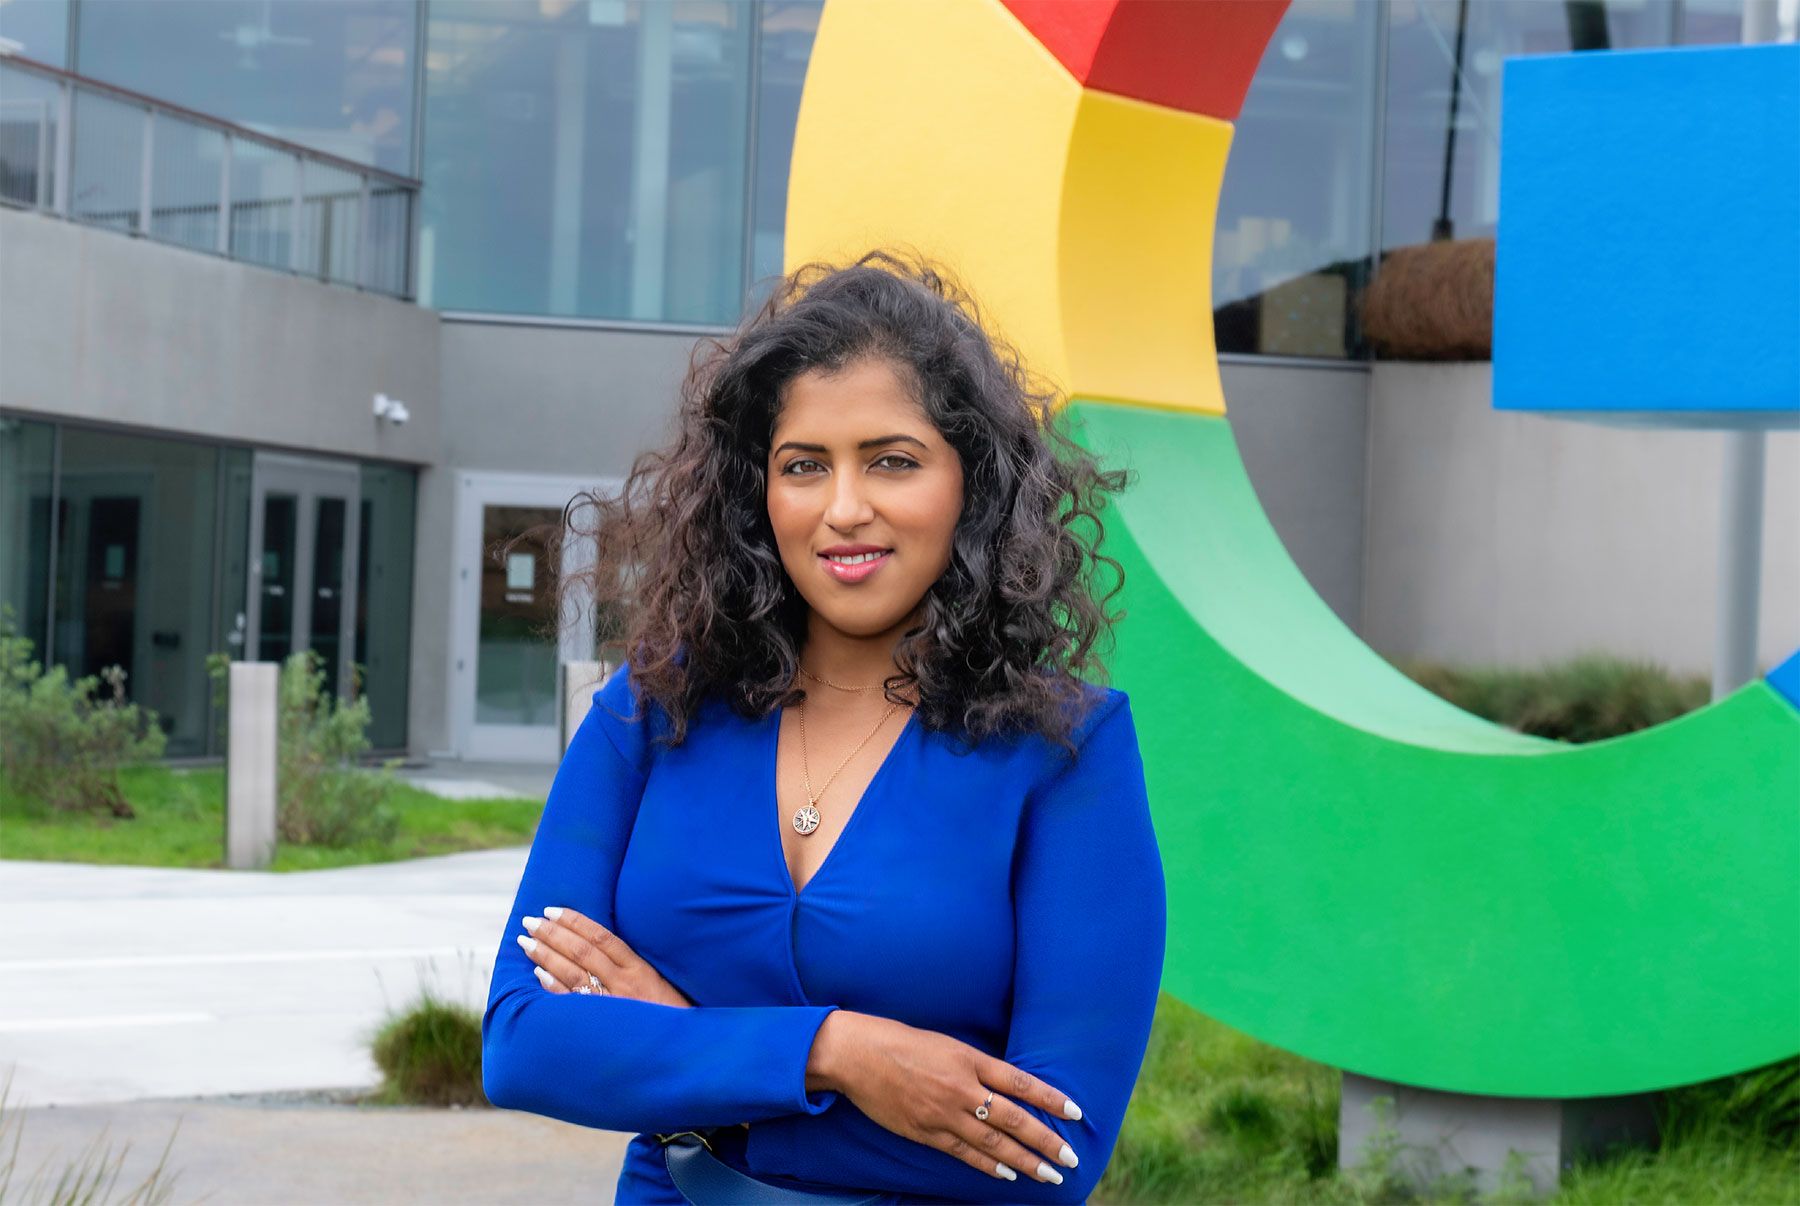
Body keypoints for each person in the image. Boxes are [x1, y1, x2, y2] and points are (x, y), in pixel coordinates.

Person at [481, 250, 1167, 1204]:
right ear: (755, 496)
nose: (845, 510)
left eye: (893, 460)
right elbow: (520, 1044)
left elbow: (1049, 1159)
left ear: (973, 483)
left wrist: (680, 1068)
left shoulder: (1064, 752)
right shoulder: (648, 717)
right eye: (804, 466)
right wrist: (840, 1054)